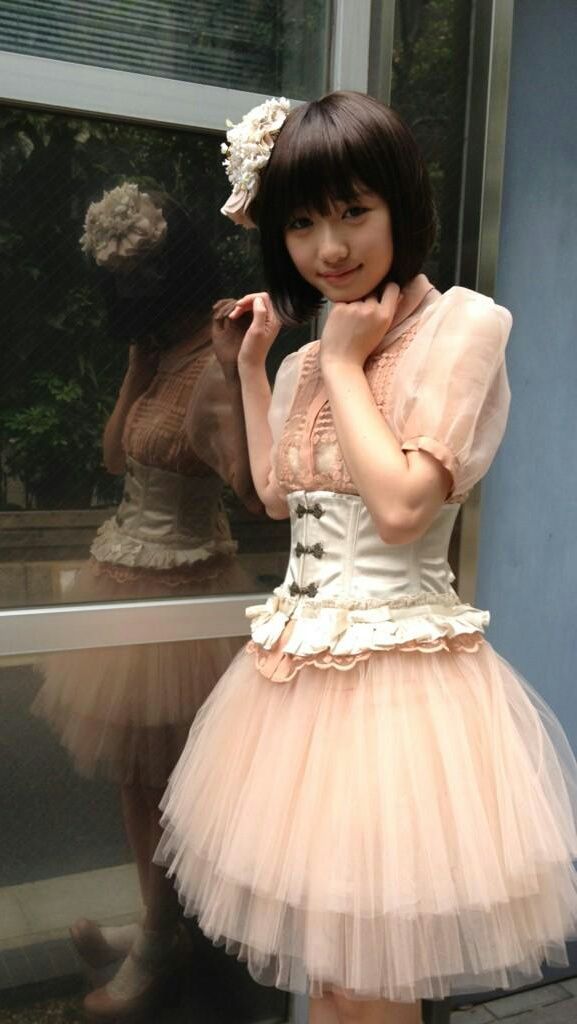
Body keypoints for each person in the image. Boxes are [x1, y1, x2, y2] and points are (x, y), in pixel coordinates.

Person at [156, 94, 577, 1024]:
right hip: (292, 693)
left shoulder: (462, 326)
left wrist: (345, 365)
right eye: (301, 223)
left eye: (353, 211)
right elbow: (278, 494)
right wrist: (255, 366)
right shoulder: (307, 359)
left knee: (371, 978)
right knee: (331, 974)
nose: (329, 247)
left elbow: (399, 509)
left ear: (400, 204)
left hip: (400, 698)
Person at [32, 183, 260, 1019]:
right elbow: (110, 454)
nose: (131, 296)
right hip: (126, 583)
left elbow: (247, 484)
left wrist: (235, 373)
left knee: (171, 785)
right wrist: (134, 371)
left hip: (185, 594)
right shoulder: (158, 352)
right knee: (138, 780)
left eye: (140, 280)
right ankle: (157, 927)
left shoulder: (216, 354)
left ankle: (167, 940)